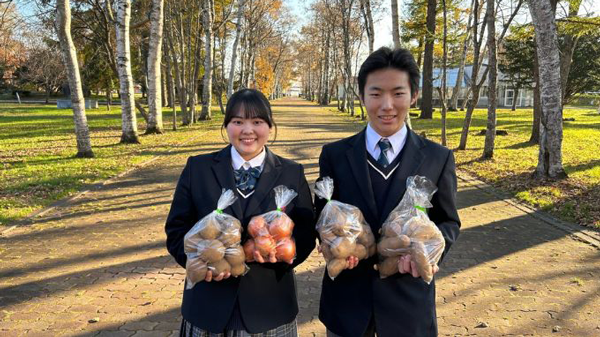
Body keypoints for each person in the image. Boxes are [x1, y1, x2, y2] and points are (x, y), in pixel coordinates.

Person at [315, 47, 461, 337]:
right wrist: (329, 242)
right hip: (348, 300)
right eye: (376, 93)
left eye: (398, 93)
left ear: (414, 95)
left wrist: (426, 255)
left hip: (407, 301)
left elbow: (448, 221)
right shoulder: (335, 155)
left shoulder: (437, 157)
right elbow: (324, 214)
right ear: (361, 96)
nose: (387, 105)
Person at [165, 88, 316, 336]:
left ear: (269, 126)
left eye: (257, 122)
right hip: (207, 306)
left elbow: (306, 233)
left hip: (269, 308)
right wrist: (201, 262)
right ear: (226, 126)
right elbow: (176, 229)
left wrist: (284, 255)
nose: (247, 130)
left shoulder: (291, 172)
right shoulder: (198, 168)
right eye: (238, 121)